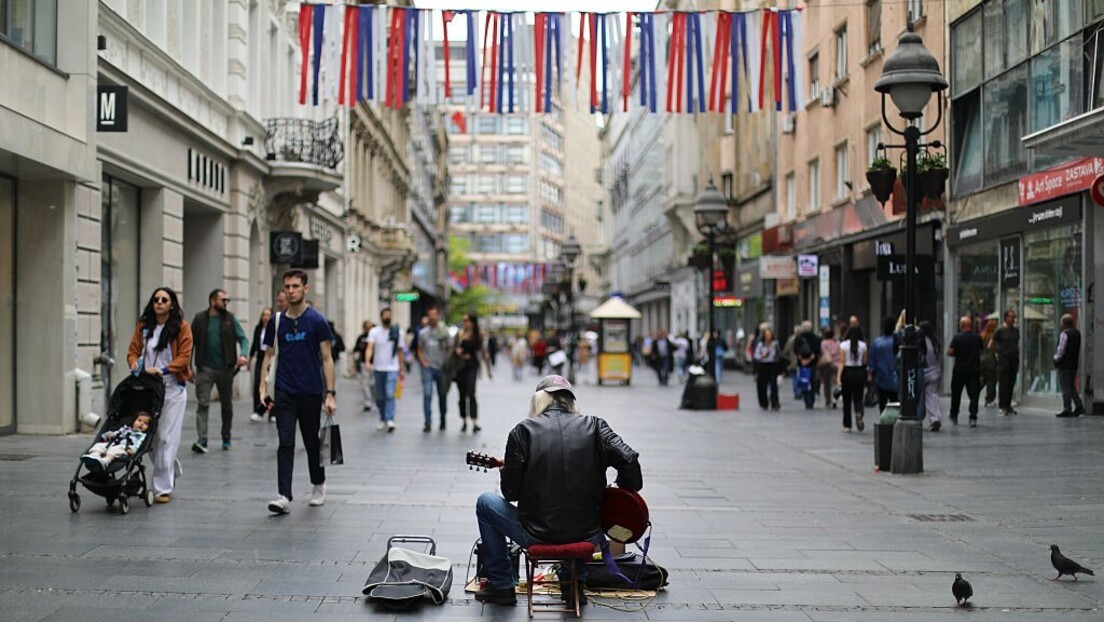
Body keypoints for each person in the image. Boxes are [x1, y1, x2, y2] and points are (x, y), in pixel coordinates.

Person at [473, 375, 643, 607]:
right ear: (570, 401)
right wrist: (620, 492)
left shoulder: (522, 431)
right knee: (579, 512)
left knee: (485, 502)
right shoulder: (596, 427)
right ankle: (575, 585)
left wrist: (508, 470)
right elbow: (629, 459)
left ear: (539, 400)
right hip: (589, 534)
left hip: (536, 534)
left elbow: (510, 493)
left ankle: (502, 584)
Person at [258, 270, 337, 514]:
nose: (290, 291)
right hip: (284, 390)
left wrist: (330, 393)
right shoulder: (277, 321)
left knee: (313, 442)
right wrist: (262, 386)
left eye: (295, 286)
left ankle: (318, 484)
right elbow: (269, 354)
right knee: (285, 442)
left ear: (305, 288)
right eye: (287, 287)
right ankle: (284, 494)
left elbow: (327, 358)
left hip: (311, 390)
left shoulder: (317, 320)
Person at [126, 287, 193, 504]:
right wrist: (134, 363)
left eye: (164, 300)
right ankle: (170, 467)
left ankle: (161, 488)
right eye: (156, 299)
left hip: (172, 387)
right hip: (147, 387)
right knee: (151, 438)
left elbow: (184, 357)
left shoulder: (182, 328)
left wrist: (164, 370)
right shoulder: (144, 327)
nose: (159, 303)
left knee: (166, 437)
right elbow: (133, 350)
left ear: (172, 304)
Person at [190, 289, 249, 453]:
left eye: (227, 300)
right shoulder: (200, 319)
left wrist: (243, 354)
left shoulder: (230, 319)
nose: (226, 303)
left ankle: (226, 436)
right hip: (204, 368)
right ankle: (202, 439)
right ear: (212, 301)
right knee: (202, 403)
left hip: (226, 369)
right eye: (223, 300)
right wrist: (187, 367)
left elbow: (243, 338)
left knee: (227, 405)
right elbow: (189, 344)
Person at [364, 308, 405, 432]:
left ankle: (390, 419)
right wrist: (367, 361)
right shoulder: (374, 332)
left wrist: (401, 369)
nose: (387, 317)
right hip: (378, 368)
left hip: (392, 367)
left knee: (389, 393)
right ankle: (382, 418)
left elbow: (400, 350)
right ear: (381, 317)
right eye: (385, 315)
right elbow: (369, 347)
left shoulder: (397, 332)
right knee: (380, 396)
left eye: (389, 315)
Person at [455, 312, 492, 432]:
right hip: (460, 366)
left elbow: (484, 351)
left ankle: (475, 421)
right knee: (461, 394)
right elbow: (453, 348)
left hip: (472, 366)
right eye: (463, 320)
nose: (464, 322)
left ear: (472, 322)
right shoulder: (459, 334)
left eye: (466, 320)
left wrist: (488, 369)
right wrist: (458, 352)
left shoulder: (478, 335)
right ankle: (464, 420)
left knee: (471, 392)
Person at [416, 306, 452, 432]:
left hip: (441, 367)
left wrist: (446, 361)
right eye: (430, 315)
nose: (432, 317)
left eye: (434, 315)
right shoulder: (423, 333)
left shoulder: (444, 332)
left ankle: (442, 419)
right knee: (427, 394)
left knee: (442, 395)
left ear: (438, 316)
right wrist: (423, 361)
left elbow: (449, 348)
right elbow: (419, 349)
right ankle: (427, 422)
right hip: (428, 367)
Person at [81, 412, 152, 472]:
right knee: (99, 445)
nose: (142, 424)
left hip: (124, 448)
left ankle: (105, 461)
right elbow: (114, 433)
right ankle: (94, 456)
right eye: (139, 421)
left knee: (115, 450)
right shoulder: (124, 429)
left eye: (145, 423)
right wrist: (109, 435)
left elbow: (139, 444)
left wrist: (133, 450)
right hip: (112, 443)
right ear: (133, 421)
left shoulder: (141, 436)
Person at [946, 316, 982, 428]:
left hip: (960, 370)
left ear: (961, 326)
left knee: (956, 394)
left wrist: (958, 353)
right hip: (974, 370)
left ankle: (954, 415)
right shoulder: (977, 338)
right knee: (974, 395)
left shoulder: (957, 338)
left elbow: (949, 352)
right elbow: (981, 349)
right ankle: (973, 417)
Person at [837, 325, 868, 432]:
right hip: (859, 372)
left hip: (847, 372)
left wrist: (838, 377)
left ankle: (847, 425)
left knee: (847, 400)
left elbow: (841, 362)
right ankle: (859, 412)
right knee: (858, 398)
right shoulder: (863, 345)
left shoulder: (843, 345)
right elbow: (864, 362)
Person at [1054, 313, 1085, 418]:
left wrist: (1056, 359)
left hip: (1064, 364)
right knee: (1071, 386)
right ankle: (1079, 406)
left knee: (1065, 387)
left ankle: (1067, 408)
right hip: (1073, 364)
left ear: (1063, 323)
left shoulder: (1064, 334)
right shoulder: (1077, 333)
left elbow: (1061, 349)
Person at [990, 309, 1020, 415]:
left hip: (1014, 359)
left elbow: (1017, 343)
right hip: (1004, 360)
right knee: (1003, 382)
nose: (1013, 319)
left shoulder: (1016, 330)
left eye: (1014, 317)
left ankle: (1008, 405)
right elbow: (991, 344)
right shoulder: (1000, 330)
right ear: (1006, 318)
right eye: (1011, 317)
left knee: (1011, 382)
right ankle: (1002, 405)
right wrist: (997, 354)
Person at [868, 316, 900, 412]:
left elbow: (872, 362)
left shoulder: (877, 343)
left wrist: (870, 375)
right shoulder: (898, 341)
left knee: (882, 402)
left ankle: (884, 420)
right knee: (895, 401)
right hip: (896, 377)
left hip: (881, 377)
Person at [249, 307, 273, 423]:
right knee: (258, 384)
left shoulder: (274, 328)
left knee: (271, 386)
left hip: (271, 358)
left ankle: (272, 413)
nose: (266, 317)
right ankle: (257, 410)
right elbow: (254, 344)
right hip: (260, 358)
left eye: (268, 315)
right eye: (264, 315)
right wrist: (250, 359)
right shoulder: (258, 329)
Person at [919, 321, 943, 432]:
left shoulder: (921, 342)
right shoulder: (935, 342)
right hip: (935, 372)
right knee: (932, 396)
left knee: (919, 397)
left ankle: (919, 417)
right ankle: (935, 418)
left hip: (923, 372)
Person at [753, 328, 781, 410]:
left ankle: (774, 402)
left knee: (773, 384)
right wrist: (763, 356)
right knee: (762, 385)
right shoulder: (761, 344)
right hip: (763, 365)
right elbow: (756, 356)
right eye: (766, 335)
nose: (768, 337)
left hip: (773, 364)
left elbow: (778, 353)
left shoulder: (775, 344)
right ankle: (764, 403)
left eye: (769, 335)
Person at [352, 321, 375, 412]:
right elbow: (356, 349)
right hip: (364, 363)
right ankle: (368, 402)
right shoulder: (361, 338)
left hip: (376, 363)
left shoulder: (375, 337)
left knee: (374, 383)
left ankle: (375, 399)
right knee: (365, 383)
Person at [818, 326, 840, 409]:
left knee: (827, 384)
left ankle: (828, 401)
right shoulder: (837, 343)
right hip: (837, 364)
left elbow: (824, 352)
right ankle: (835, 399)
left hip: (827, 365)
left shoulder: (823, 343)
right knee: (836, 383)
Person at [979, 318, 999, 408]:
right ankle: (989, 399)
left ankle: (975, 392)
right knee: (991, 380)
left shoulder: (982, 335)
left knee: (983, 378)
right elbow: (995, 348)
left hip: (981, 359)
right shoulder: (993, 336)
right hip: (990, 359)